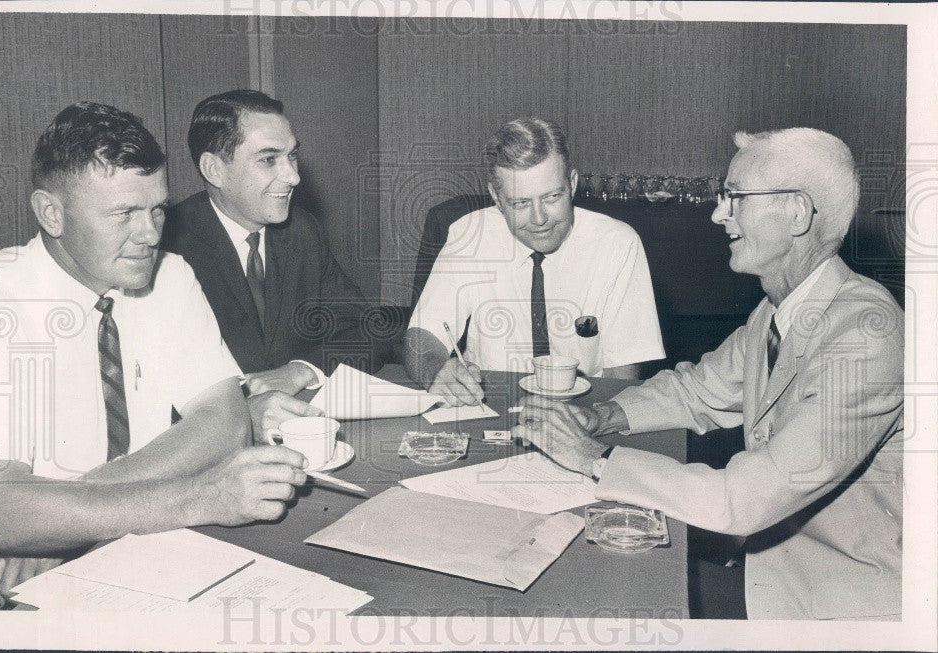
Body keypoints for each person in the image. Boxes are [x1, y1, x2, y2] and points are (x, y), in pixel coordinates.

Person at [513, 128, 903, 620]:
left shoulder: (866, 337)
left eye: (734, 197)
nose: (718, 214)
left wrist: (595, 457)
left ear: (798, 214)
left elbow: (740, 499)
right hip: (761, 569)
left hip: (831, 609)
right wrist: (604, 416)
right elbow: (697, 389)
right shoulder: (778, 311)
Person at [0, 102, 319, 607]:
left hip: (127, 540)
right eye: (123, 214)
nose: (149, 235)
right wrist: (201, 496)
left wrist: (60, 523)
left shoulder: (171, 276)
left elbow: (224, 422)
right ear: (51, 213)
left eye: (158, 210)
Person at [404, 117, 665, 406]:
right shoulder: (469, 234)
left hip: (585, 407)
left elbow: (622, 372)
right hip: (491, 403)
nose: (539, 219)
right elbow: (422, 334)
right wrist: (436, 371)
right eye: (521, 203)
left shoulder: (618, 243)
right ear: (497, 197)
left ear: (573, 184)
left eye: (552, 197)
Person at [161, 89, 386, 396]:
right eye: (269, 159)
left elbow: (365, 331)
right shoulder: (165, 245)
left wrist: (300, 370)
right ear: (214, 169)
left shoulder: (301, 231)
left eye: (292, 155)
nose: (293, 176)